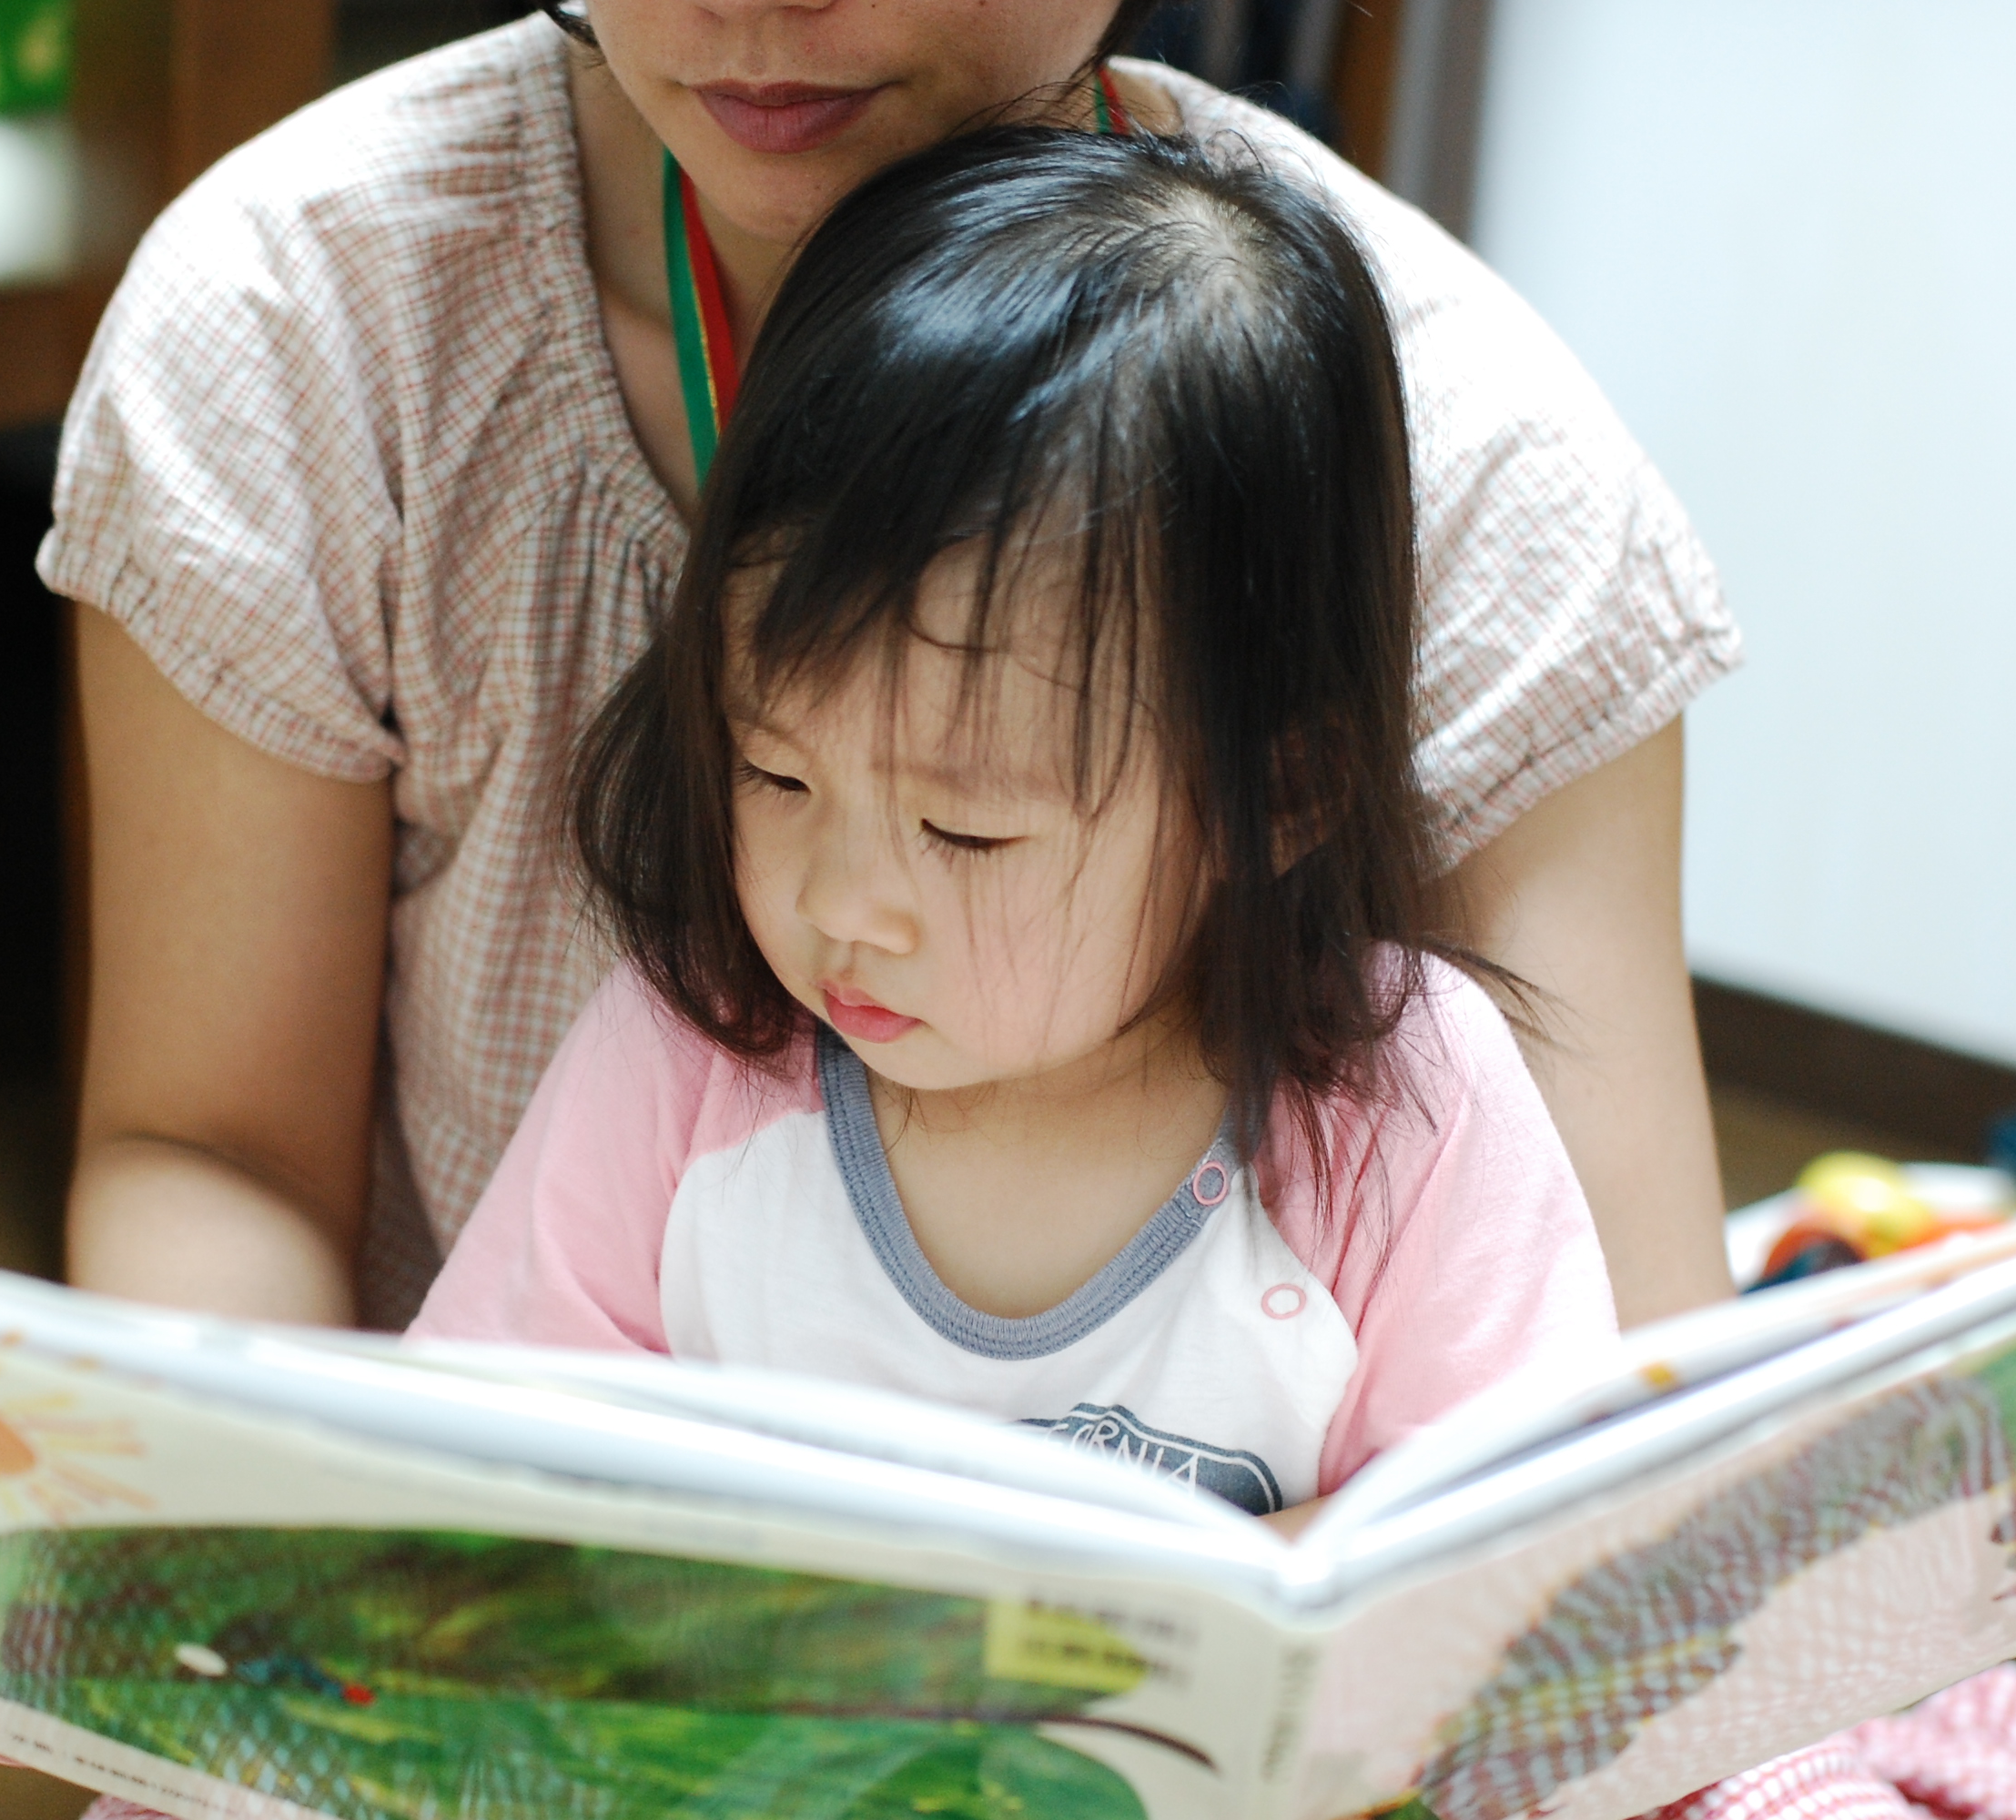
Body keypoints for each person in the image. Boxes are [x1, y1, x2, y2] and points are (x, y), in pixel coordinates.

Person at [0, 0, 1738, 1707]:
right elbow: (230, 1169)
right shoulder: (308, 321)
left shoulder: (1478, 476)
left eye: (968, 816)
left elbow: (1599, 1509)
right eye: (772, 779)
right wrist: (208, 1602)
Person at [407, 124, 1617, 1540]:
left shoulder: (1402, 1105)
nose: (845, 904)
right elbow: (470, 1478)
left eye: (967, 832)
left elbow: (1517, 1557)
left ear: (1276, 796)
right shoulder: (689, 1057)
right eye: (776, 777)